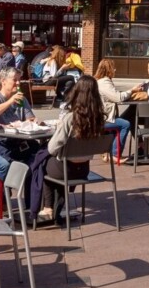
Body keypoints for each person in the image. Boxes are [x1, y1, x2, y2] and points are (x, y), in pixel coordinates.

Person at [38, 75, 106, 222]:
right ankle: (57, 208)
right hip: (84, 170)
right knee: (55, 164)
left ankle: (48, 208)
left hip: (66, 169)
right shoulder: (99, 118)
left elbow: (52, 147)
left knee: (41, 163)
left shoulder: (71, 118)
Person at [94, 60, 131, 163]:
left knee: (119, 123)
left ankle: (107, 153)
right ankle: (115, 155)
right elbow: (118, 97)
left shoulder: (100, 81)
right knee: (125, 124)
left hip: (101, 117)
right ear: (108, 69)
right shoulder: (104, 82)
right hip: (103, 119)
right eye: (113, 67)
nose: (115, 70)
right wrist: (132, 91)